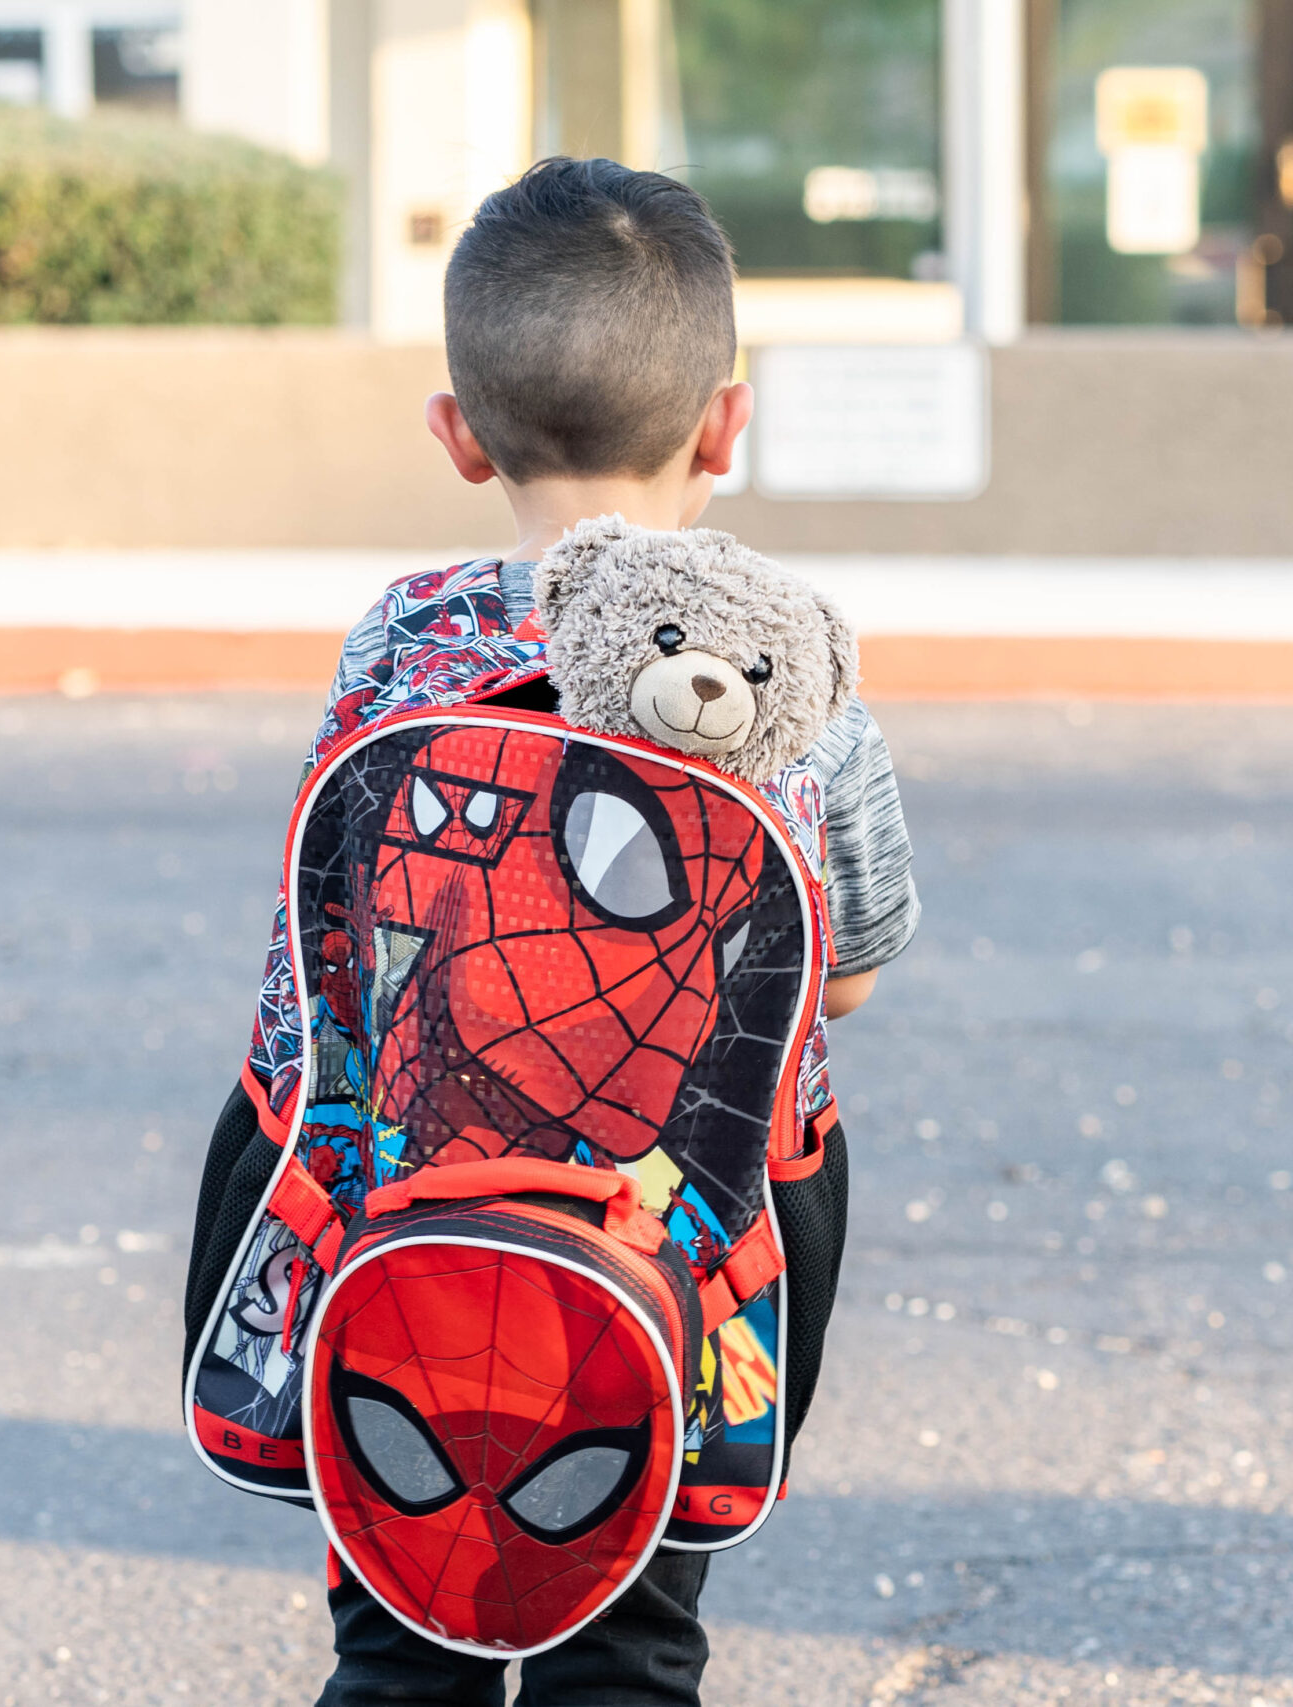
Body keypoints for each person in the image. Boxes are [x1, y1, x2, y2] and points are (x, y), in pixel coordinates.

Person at [181, 156, 919, 1706]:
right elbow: (837, 975)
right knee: (631, 1648)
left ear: (459, 436)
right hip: (672, 1261)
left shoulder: (400, 629)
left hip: (391, 1220)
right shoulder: (794, 674)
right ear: (728, 421)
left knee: (399, 1623)